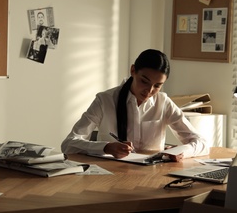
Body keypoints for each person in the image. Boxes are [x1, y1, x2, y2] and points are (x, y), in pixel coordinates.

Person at [61, 49, 209, 162]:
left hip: (152, 176)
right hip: (110, 175)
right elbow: (68, 144)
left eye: (157, 85)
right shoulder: (104, 100)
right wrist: (106, 147)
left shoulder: (163, 102)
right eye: (144, 81)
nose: (149, 91)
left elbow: (201, 143)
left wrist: (181, 151)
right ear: (133, 71)